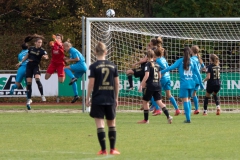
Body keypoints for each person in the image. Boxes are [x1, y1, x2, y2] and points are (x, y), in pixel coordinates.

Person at [86, 42, 120, 155]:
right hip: (110, 98)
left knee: (100, 125)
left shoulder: (93, 66)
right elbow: (116, 83)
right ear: (106, 52)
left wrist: (87, 98)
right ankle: (113, 149)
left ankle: (103, 150)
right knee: (112, 124)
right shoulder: (113, 66)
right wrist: (116, 98)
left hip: (97, 99)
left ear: (95, 52)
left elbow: (91, 84)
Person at [161, 47, 204, 123]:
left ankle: (188, 119)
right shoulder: (193, 61)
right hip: (192, 83)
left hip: (184, 84)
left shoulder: (180, 61)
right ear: (190, 53)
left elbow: (171, 67)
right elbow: (198, 73)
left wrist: (162, 71)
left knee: (185, 101)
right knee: (189, 99)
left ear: (183, 53)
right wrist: (201, 84)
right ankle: (189, 117)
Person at [138, 49, 173, 124]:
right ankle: (168, 116)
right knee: (159, 102)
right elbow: (160, 76)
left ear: (147, 57)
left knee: (145, 102)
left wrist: (142, 84)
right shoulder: (157, 64)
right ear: (153, 56)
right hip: (158, 85)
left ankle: (146, 120)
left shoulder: (148, 64)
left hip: (150, 86)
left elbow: (146, 75)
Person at [16, 34, 48, 105]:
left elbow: (46, 55)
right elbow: (27, 56)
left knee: (37, 79)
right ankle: (29, 99)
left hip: (36, 66)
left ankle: (42, 95)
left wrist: (45, 57)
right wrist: (21, 62)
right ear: (35, 43)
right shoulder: (31, 48)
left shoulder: (42, 50)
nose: (40, 44)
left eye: (41, 42)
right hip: (29, 66)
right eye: (39, 42)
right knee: (29, 83)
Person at [154, 46, 181, 116]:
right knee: (169, 95)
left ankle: (157, 109)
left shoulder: (158, 60)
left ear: (155, 54)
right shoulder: (163, 59)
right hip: (168, 78)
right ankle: (177, 109)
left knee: (153, 93)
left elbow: (166, 68)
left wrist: (159, 73)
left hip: (162, 79)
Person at [190, 45, 205, 114]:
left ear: (192, 51)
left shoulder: (192, 59)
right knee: (194, 94)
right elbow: (204, 68)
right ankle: (196, 109)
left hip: (192, 78)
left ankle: (187, 110)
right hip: (198, 79)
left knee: (188, 95)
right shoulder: (199, 59)